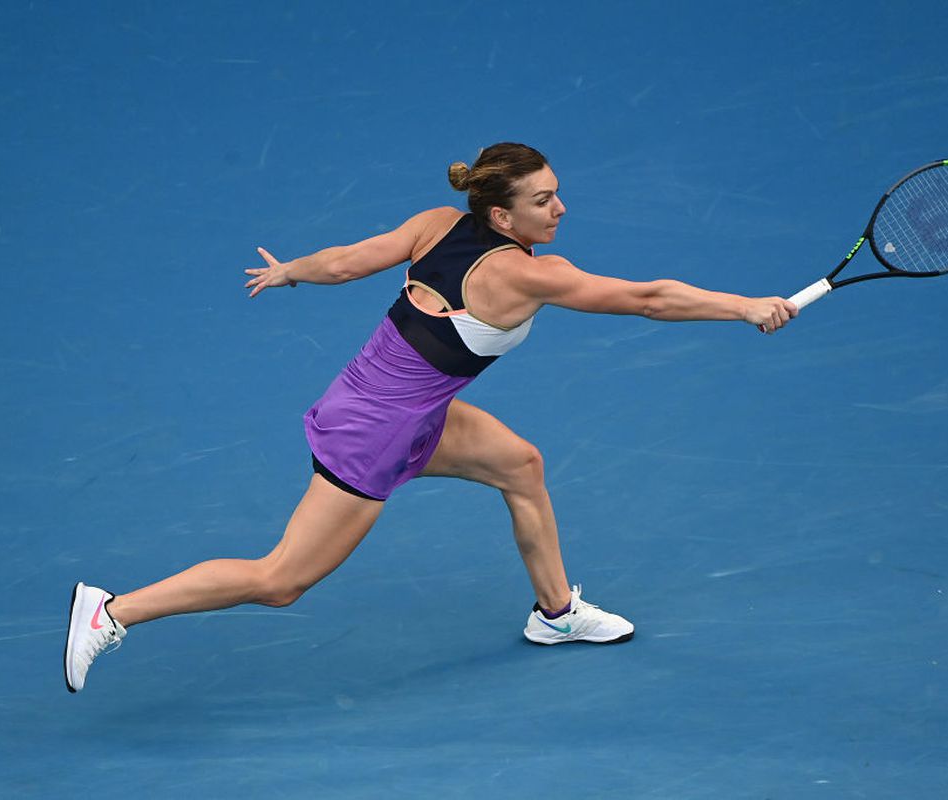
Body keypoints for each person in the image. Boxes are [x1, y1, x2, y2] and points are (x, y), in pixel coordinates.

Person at [63, 142, 797, 693]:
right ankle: (113, 610)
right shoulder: (528, 274)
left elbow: (348, 261)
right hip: (376, 430)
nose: (561, 209)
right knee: (283, 579)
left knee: (521, 465)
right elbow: (649, 298)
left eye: (558, 193)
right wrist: (744, 307)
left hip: (397, 402)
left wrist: (290, 270)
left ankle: (555, 612)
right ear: (501, 214)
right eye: (544, 201)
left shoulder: (437, 224)